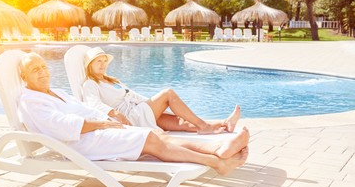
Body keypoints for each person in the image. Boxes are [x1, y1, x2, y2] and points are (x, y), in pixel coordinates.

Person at [18, 52, 249, 175]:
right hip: (82, 143)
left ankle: (218, 148)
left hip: (98, 130)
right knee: (150, 139)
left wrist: (105, 121)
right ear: (23, 77)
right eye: (34, 69)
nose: (42, 72)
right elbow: (62, 126)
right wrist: (102, 122)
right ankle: (215, 162)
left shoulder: (55, 92)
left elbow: (83, 110)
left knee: (157, 135)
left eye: (43, 67)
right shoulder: (30, 100)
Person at [82, 47, 241, 134]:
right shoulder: (90, 84)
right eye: (98, 62)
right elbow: (92, 104)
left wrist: (153, 104)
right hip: (130, 117)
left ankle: (224, 124)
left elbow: (133, 95)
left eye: (104, 61)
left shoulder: (110, 80)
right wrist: (115, 114)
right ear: (90, 65)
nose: (103, 65)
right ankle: (206, 127)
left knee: (181, 122)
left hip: (139, 110)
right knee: (168, 93)